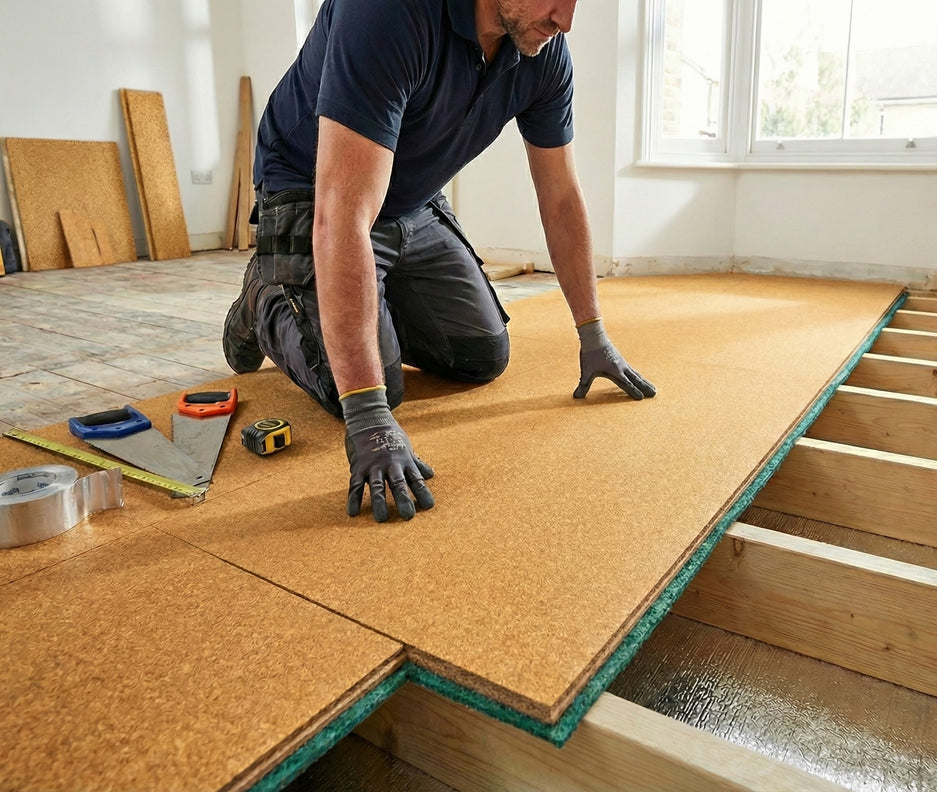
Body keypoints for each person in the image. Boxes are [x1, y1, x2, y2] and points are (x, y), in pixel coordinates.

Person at [223, 0, 655, 523]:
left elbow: (561, 196)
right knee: (366, 386)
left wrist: (593, 332)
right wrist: (368, 415)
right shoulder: (386, 13)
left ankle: (364, 297)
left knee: (481, 355)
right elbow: (342, 214)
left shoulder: (541, 49)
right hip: (313, 191)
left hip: (411, 201)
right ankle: (266, 295)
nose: (566, 19)